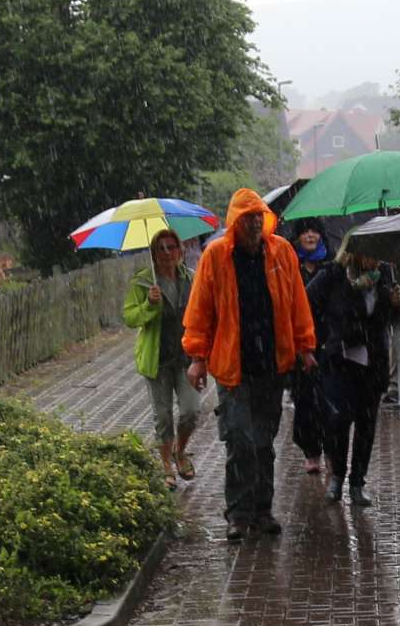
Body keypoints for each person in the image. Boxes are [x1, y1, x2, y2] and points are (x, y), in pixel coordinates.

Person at [182, 189, 317, 543]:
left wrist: (305, 347)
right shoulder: (216, 257)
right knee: (239, 438)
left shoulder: (281, 253)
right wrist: (197, 358)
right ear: (235, 223)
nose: (256, 222)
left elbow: (297, 304)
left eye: (259, 216)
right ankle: (238, 514)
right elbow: (201, 310)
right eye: (248, 218)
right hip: (232, 367)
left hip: (272, 365)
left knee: (263, 442)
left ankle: (262, 510)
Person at [307, 251, 400, 508]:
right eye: (370, 254)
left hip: (373, 362)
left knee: (366, 423)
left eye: (377, 254)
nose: (375, 261)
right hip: (340, 360)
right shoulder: (333, 275)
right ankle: (337, 475)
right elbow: (307, 303)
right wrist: (321, 339)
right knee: (338, 419)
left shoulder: (385, 276)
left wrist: (395, 304)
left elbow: (391, 320)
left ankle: (357, 481)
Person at [122, 228, 199, 491]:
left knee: (190, 411)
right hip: (157, 359)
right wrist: (149, 305)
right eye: (161, 248)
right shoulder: (144, 282)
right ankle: (166, 464)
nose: (167, 253)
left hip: (186, 358)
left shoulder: (190, 278)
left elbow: (201, 313)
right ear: (153, 254)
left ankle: (180, 451)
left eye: (172, 247)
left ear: (181, 250)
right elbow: (130, 317)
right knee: (163, 416)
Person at [290, 221, 333, 474]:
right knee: (305, 400)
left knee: (329, 400)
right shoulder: (291, 265)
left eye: (314, 231)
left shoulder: (331, 265)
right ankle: (311, 451)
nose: (310, 235)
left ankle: (331, 449)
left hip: (327, 342)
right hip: (300, 344)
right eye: (305, 231)